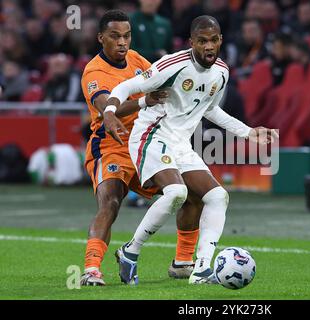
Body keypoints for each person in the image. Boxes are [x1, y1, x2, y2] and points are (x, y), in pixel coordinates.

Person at [103, 15, 276, 284]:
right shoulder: (172, 65)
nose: (209, 46)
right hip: (151, 135)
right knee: (177, 192)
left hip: (181, 143)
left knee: (218, 196)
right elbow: (127, 86)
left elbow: (211, 109)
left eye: (214, 40)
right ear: (191, 42)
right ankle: (131, 251)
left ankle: (202, 269)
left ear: (220, 40)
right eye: (202, 41)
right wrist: (110, 111)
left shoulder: (222, 71)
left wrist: (249, 132)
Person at [79, 10, 201, 286]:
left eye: (127, 36)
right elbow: (107, 107)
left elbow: (163, 79)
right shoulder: (94, 72)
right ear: (101, 38)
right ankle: (91, 270)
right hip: (112, 146)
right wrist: (145, 101)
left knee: (194, 193)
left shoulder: (137, 60)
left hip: (145, 144)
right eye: (115, 36)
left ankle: (182, 263)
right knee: (110, 202)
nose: (122, 42)